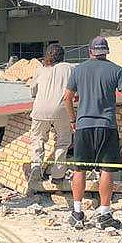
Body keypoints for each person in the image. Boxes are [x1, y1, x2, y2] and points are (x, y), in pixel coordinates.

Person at [64, 36, 122, 230]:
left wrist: (73, 119)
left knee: (79, 169)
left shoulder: (78, 70)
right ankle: (105, 214)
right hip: (107, 126)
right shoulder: (116, 70)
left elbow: (67, 98)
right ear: (106, 52)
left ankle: (77, 213)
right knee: (107, 170)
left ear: (90, 51)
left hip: (83, 126)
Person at [29, 43, 74, 187]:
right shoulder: (70, 68)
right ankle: (58, 175)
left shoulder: (40, 70)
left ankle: (36, 166)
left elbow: (33, 91)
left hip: (40, 109)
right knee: (63, 142)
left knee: (38, 139)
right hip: (62, 109)